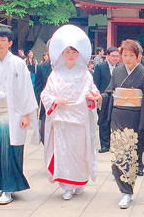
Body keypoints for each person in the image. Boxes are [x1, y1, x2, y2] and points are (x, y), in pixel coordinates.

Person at [0, 27, 38, 205]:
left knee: (11, 149)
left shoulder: (18, 63)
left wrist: (27, 114)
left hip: (15, 112)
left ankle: (8, 187)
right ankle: (1, 184)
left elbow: (27, 90)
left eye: (3, 40)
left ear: (10, 43)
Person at [41, 25, 100, 200]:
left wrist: (91, 97)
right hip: (62, 119)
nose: (71, 55)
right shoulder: (55, 74)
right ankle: (67, 186)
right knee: (64, 153)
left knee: (80, 153)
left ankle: (79, 182)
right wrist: (54, 101)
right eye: (67, 52)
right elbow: (45, 94)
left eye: (74, 52)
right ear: (61, 54)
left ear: (79, 54)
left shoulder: (85, 74)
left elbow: (93, 91)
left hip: (79, 118)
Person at [106, 39, 144, 208]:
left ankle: (127, 191)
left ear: (138, 57)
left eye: (131, 55)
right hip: (118, 118)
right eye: (125, 55)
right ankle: (124, 191)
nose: (127, 58)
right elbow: (110, 92)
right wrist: (100, 98)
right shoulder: (117, 72)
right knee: (117, 155)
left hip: (136, 120)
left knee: (131, 156)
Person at [94, 46, 119, 153]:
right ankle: (105, 144)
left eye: (117, 56)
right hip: (103, 98)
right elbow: (96, 83)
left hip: (116, 99)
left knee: (115, 121)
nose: (115, 58)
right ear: (107, 56)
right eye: (113, 56)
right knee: (103, 120)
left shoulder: (120, 67)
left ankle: (115, 143)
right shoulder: (100, 67)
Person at [33, 51, 53, 145]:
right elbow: (38, 88)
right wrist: (36, 105)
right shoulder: (41, 67)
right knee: (46, 137)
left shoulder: (66, 66)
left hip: (62, 107)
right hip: (46, 107)